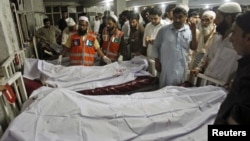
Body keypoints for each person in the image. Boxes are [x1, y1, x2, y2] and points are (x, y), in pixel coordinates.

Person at [191, 2, 242, 84]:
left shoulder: (238, 41)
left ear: (228, 18)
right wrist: (199, 68)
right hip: (207, 81)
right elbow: (207, 56)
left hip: (222, 89)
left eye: (218, 17)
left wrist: (234, 81)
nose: (215, 21)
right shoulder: (216, 37)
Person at [214, 11, 250, 125]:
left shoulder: (248, 76)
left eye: (234, 32)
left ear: (248, 38)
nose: (230, 39)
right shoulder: (245, 66)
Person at [152, 4, 196, 88]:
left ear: (186, 17)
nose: (177, 19)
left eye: (180, 17)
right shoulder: (164, 30)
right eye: (175, 17)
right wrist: (157, 62)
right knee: (164, 88)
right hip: (166, 65)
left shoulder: (189, 31)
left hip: (181, 66)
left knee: (178, 89)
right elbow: (156, 46)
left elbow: (193, 47)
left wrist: (193, 32)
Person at [143, 7, 167, 76]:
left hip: (162, 56)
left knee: (162, 76)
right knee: (151, 76)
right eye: (151, 18)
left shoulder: (166, 26)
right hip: (150, 55)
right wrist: (147, 40)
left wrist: (155, 42)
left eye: (155, 18)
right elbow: (145, 44)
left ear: (160, 16)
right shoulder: (148, 26)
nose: (153, 20)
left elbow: (168, 43)